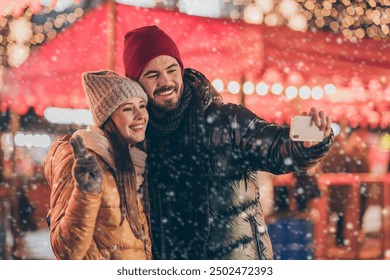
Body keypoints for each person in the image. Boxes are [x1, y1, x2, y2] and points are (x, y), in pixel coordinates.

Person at [123, 25, 334, 260]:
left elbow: (277, 147)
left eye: (172, 70)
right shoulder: (136, 140)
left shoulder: (225, 121)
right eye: (153, 75)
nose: (166, 81)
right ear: (135, 83)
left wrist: (307, 144)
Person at [44, 70, 152, 259]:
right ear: (107, 118)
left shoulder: (132, 162)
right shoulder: (81, 162)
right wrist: (86, 193)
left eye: (142, 106)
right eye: (127, 108)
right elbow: (65, 250)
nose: (140, 115)